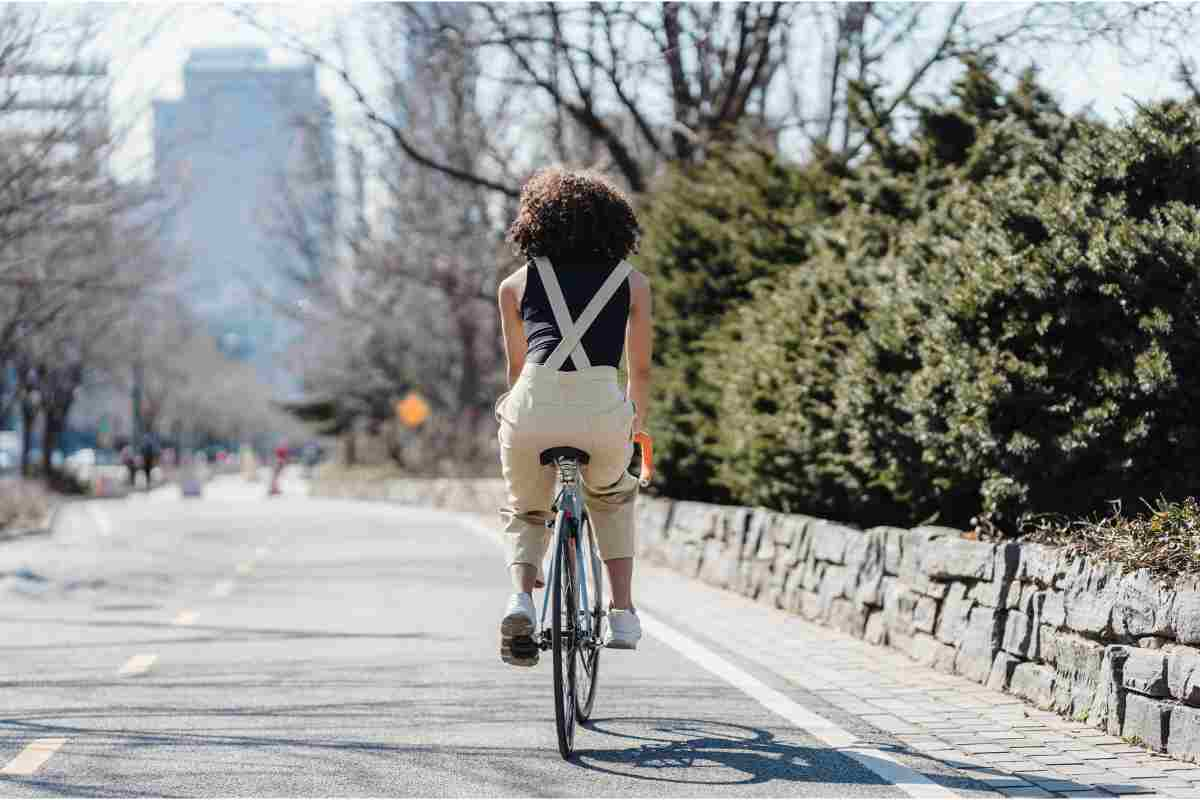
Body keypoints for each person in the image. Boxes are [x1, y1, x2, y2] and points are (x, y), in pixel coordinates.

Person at [495, 166, 653, 667]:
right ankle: (622, 614)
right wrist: (637, 423)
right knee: (611, 496)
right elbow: (641, 370)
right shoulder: (634, 284)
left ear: (535, 222)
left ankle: (521, 598)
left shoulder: (515, 284)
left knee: (526, 508)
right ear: (614, 223)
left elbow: (516, 370)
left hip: (533, 406)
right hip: (602, 410)